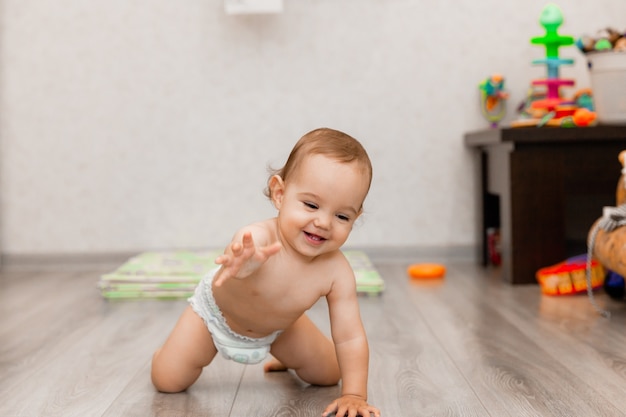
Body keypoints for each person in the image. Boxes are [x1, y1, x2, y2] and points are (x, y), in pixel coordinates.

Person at [151, 127, 380, 417]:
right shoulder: (260, 238)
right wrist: (245, 265)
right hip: (213, 318)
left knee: (329, 374)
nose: (323, 222)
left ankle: (286, 357)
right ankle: (162, 354)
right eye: (311, 204)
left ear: (356, 218)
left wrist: (355, 394)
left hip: (280, 329)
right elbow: (244, 247)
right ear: (280, 194)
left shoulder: (337, 271)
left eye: (342, 216)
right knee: (168, 381)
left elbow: (350, 336)